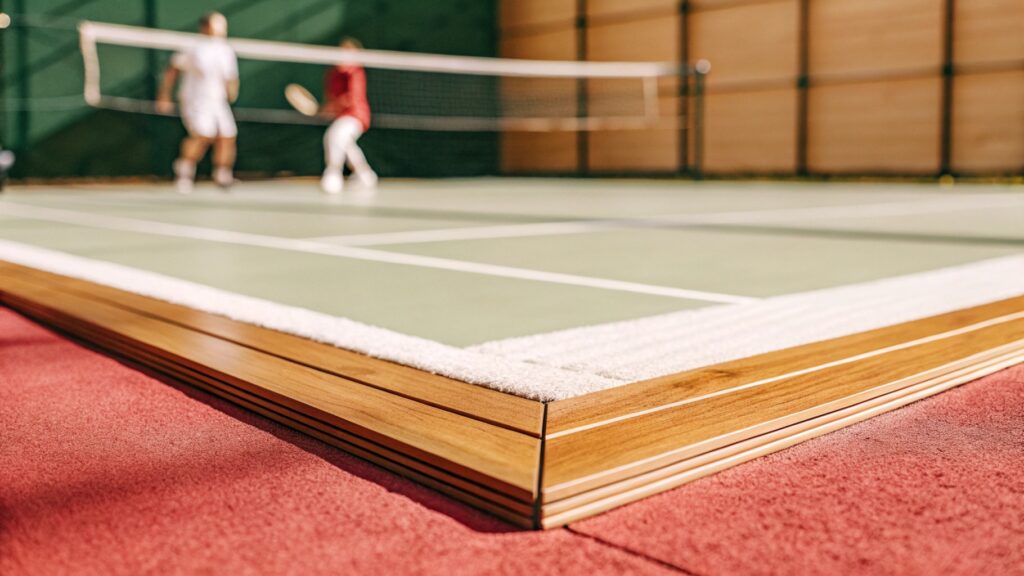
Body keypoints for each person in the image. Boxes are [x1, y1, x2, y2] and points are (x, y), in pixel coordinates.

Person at [156, 12, 239, 194]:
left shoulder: (226, 50)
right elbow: (172, 71)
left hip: (219, 101)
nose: (221, 29)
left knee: (228, 136)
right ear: (205, 27)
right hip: (195, 100)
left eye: (222, 25)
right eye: (216, 25)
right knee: (203, 134)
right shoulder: (192, 47)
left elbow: (231, 76)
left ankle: (222, 174)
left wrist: (232, 91)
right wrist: (164, 96)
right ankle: (184, 172)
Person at [320, 37, 377, 195]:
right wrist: (328, 109)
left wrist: (330, 107)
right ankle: (365, 174)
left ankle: (333, 173)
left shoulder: (355, 72)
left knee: (334, 135)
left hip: (357, 116)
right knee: (344, 143)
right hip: (341, 117)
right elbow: (332, 99)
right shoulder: (332, 75)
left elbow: (351, 99)